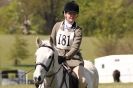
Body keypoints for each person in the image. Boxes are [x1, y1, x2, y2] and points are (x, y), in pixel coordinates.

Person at [50, 1, 87, 87]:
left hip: (74, 60)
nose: (72, 15)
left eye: (74, 14)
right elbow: (51, 42)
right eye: (69, 13)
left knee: (83, 81)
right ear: (65, 14)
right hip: (57, 59)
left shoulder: (78, 30)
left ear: (76, 15)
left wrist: (65, 57)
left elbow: (75, 48)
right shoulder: (57, 26)